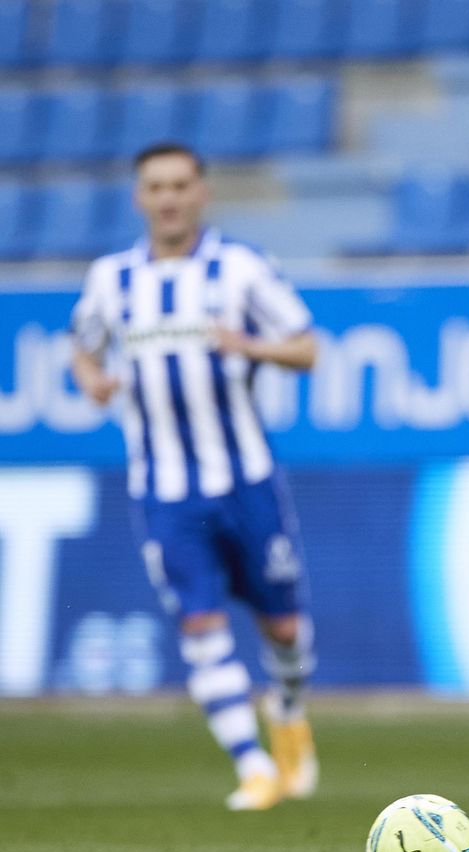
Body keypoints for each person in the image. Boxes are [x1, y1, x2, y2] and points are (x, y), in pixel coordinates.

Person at [69, 143, 319, 811]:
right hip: (163, 492)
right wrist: (92, 378)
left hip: (247, 482)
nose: (169, 198)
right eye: (156, 187)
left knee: (285, 629)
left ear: (202, 192)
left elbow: (306, 345)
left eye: (180, 185)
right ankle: (253, 766)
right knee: (200, 625)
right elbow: (81, 346)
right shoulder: (111, 280)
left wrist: (250, 346)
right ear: (139, 198)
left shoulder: (239, 268)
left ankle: (289, 717)